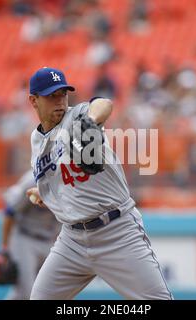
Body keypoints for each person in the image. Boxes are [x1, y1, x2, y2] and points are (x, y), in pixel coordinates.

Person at [26, 67, 172, 300]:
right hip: (71, 241)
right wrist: (46, 193)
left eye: (62, 94)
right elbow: (60, 175)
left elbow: (103, 104)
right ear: (34, 101)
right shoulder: (36, 140)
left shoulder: (77, 117)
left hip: (116, 231)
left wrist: (91, 122)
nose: (60, 101)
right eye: (51, 95)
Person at [0, 170, 60, 300]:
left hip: (49, 240)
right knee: (28, 292)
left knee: (37, 293)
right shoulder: (31, 181)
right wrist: (4, 248)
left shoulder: (66, 181)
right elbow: (10, 212)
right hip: (25, 238)